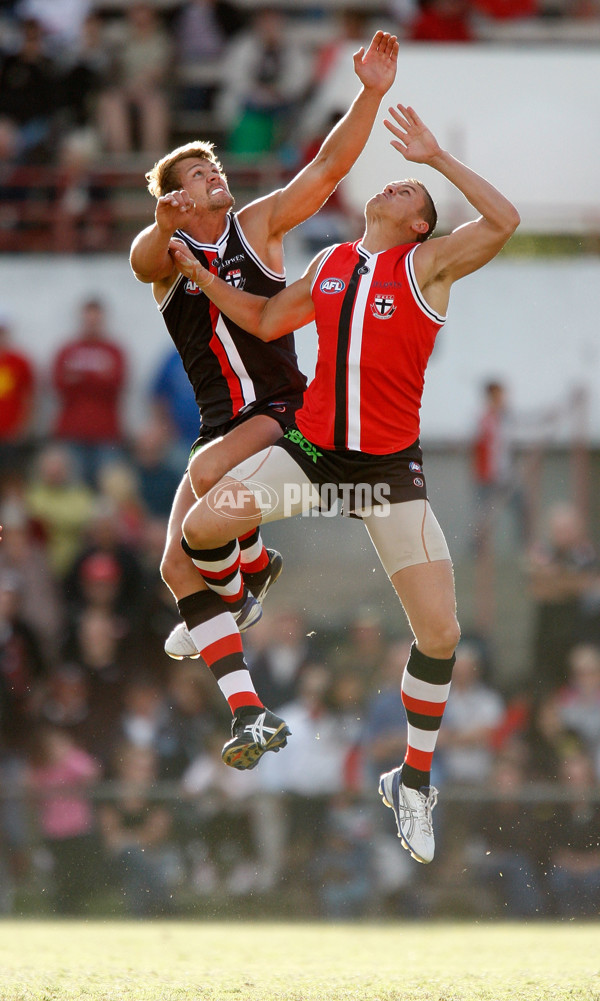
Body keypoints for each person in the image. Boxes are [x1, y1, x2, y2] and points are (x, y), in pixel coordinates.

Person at [169, 102, 520, 864]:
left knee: (441, 633)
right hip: (312, 457)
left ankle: (413, 780)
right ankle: (243, 588)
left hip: (386, 475)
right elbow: (263, 320)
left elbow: (505, 219)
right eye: (395, 181)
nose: (394, 185)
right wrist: (199, 276)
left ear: (421, 225)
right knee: (200, 529)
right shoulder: (330, 263)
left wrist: (438, 160)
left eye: (407, 192)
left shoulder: (428, 264)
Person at [129, 34, 399, 727]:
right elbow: (139, 257)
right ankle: (248, 711)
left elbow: (330, 166)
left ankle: (247, 578)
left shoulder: (257, 225)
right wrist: (164, 228)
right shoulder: (167, 257)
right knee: (174, 568)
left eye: (209, 165)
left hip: (282, 406)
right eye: (193, 174)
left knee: (207, 477)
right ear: (175, 202)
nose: (210, 173)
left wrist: (370, 91)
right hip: (224, 419)